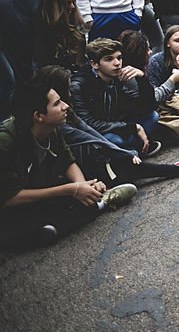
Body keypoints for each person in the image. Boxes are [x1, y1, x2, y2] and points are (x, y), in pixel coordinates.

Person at [0, 77, 138, 250]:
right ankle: (95, 206)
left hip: (32, 192)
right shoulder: (6, 142)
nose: (66, 106)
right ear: (38, 116)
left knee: (61, 209)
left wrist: (83, 186)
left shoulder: (52, 128)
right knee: (15, 228)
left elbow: (67, 161)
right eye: (57, 103)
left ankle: (88, 207)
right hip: (8, 205)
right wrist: (71, 190)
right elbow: (9, 198)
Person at [37, 65, 179, 192]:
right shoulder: (53, 125)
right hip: (64, 175)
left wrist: (121, 152)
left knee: (129, 163)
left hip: (90, 159)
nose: (67, 99)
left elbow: (89, 132)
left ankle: (178, 168)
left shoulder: (67, 110)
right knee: (122, 162)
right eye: (62, 95)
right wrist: (121, 152)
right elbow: (87, 136)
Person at [0, 0, 86, 119]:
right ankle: (7, 124)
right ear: (57, 4)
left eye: (73, 2)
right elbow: (21, 59)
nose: (73, 6)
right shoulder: (22, 16)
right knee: (9, 81)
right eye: (68, 3)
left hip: (7, 28)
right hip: (8, 30)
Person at [70, 38, 160, 157]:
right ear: (94, 64)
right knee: (115, 140)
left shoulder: (116, 76)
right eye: (109, 59)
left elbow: (145, 107)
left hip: (116, 124)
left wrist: (142, 79)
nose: (117, 63)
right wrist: (132, 128)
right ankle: (132, 150)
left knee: (152, 116)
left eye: (119, 57)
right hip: (99, 132)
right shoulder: (81, 85)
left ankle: (134, 150)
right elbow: (89, 123)